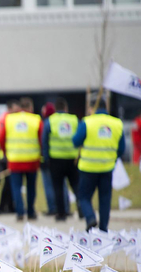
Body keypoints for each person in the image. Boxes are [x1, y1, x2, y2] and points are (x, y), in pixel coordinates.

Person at [73, 101, 125, 232]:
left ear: (93, 108)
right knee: (105, 199)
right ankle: (103, 229)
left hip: (88, 168)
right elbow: (122, 148)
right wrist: (111, 158)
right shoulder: (117, 123)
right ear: (106, 108)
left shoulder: (87, 122)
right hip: (107, 168)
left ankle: (90, 218)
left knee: (84, 197)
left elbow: (75, 141)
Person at [0, 97, 43, 221]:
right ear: (30, 107)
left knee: (16, 187)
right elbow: (42, 139)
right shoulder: (36, 120)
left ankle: (19, 212)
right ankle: (30, 211)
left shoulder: (9, 119)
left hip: (14, 159)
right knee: (31, 187)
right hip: (32, 160)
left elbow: (1, 139)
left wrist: (6, 152)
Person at [42, 98, 81, 221]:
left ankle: (61, 214)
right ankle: (83, 210)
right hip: (72, 159)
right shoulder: (74, 120)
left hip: (56, 159)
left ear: (55, 109)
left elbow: (44, 140)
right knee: (76, 186)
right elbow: (80, 136)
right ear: (66, 108)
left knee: (58, 187)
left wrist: (46, 158)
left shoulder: (50, 121)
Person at [39, 103, 58, 216]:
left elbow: (44, 142)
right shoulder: (66, 121)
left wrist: (44, 158)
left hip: (50, 158)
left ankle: (52, 208)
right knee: (61, 185)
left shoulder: (47, 123)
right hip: (65, 157)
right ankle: (63, 207)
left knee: (49, 184)